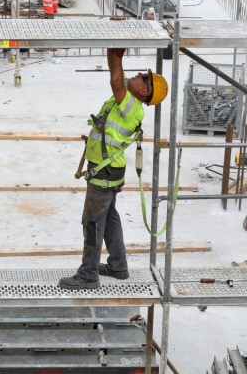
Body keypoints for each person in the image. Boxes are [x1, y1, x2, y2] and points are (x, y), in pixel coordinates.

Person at [59, 48, 168, 290]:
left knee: (92, 221)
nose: (140, 74)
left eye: (145, 78)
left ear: (144, 91)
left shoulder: (130, 105)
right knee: (109, 217)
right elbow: (115, 71)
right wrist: (113, 48)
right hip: (110, 169)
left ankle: (88, 275)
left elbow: (115, 79)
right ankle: (118, 266)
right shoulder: (131, 98)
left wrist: (117, 54)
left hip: (104, 171)